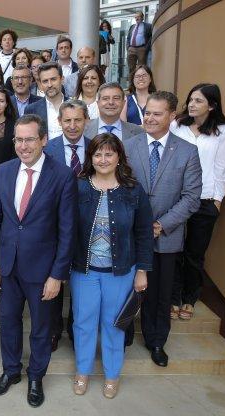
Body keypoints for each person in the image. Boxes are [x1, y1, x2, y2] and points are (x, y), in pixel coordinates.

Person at [0, 114, 77, 408]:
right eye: (18, 140)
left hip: (43, 270)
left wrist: (57, 274)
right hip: (7, 266)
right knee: (9, 321)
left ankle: (36, 376)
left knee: (41, 327)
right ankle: (11, 371)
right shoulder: (3, 171)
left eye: (29, 139)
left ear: (43, 141)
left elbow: (67, 230)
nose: (23, 146)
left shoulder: (62, 175)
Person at [71, 133, 152, 398]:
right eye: (97, 154)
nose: (102, 159)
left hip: (121, 272)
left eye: (108, 153)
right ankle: (82, 372)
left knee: (114, 324)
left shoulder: (132, 189)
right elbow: (66, 228)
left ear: (119, 157)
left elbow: (143, 232)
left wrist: (142, 269)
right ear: (90, 158)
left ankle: (112, 375)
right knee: (83, 323)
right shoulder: (79, 186)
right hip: (84, 270)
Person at [125, 91, 202, 368]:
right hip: (130, 233)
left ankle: (156, 341)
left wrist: (160, 225)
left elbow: (192, 197)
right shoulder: (128, 145)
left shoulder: (187, 151)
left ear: (171, 116)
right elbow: (119, 186)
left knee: (159, 294)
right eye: (147, 112)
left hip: (166, 237)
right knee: (126, 289)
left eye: (157, 114)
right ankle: (122, 337)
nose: (149, 118)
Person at [170, 84, 225, 320]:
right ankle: (173, 297)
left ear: (212, 104)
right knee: (173, 250)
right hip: (177, 198)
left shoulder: (223, 130)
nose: (191, 105)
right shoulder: (177, 125)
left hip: (205, 199)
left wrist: (217, 200)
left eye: (198, 101)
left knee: (195, 253)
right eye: (190, 100)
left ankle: (189, 298)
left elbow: (221, 167)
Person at [44, 100, 91, 350]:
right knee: (54, 278)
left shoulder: (97, 148)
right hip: (54, 227)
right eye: (67, 120)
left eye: (78, 120)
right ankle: (53, 330)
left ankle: (76, 329)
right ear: (59, 122)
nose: (72, 126)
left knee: (82, 282)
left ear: (86, 121)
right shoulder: (47, 149)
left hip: (88, 225)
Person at [25, 61, 68, 140]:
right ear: (40, 83)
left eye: (53, 79)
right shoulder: (31, 109)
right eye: (45, 81)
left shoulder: (74, 105)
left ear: (62, 79)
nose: (49, 85)